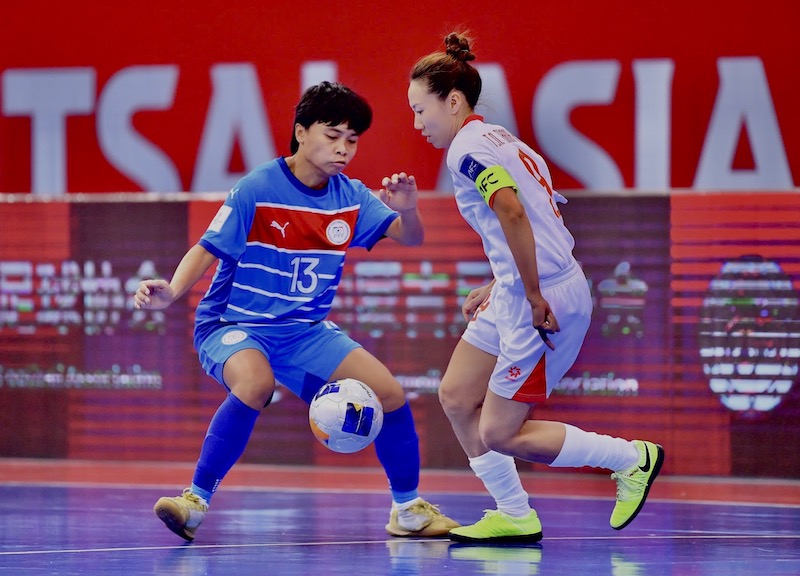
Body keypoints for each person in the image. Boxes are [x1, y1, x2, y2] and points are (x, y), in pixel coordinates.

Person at [133, 81, 459, 542]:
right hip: (232, 325)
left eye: (352, 139)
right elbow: (206, 249)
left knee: (389, 395)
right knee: (255, 383)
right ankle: (194, 502)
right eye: (332, 135)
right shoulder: (257, 187)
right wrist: (173, 291)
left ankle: (408, 512)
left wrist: (408, 210)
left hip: (306, 332)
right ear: (301, 132)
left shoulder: (351, 196)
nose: (343, 148)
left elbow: (411, 238)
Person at [406, 33, 664, 543]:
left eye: (421, 110)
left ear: (452, 101)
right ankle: (515, 513)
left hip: (542, 298)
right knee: (456, 395)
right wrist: (499, 282)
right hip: (519, 289)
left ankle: (632, 458)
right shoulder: (503, 140)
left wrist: (529, 293)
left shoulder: (465, 150)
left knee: (499, 431)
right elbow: (541, 224)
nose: (417, 125)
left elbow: (511, 209)